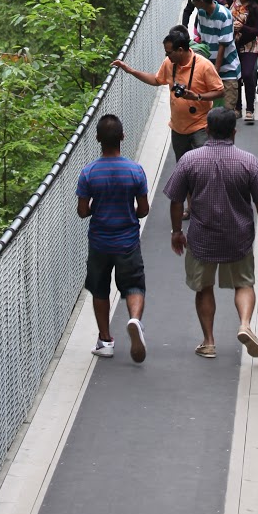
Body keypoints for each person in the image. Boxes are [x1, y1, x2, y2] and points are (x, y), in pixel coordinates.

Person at [165, 106, 258, 359]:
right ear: (234, 133)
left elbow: (175, 200)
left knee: (204, 288)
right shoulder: (249, 162)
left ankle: (209, 342)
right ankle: (245, 324)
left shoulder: (189, 160)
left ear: (207, 129)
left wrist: (175, 231)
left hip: (202, 238)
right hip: (238, 237)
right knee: (244, 283)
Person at [76, 113, 149, 361]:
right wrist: (132, 212)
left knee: (99, 289)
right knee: (134, 285)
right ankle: (134, 320)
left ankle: (105, 340)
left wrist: (97, 206)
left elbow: (83, 211)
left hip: (99, 242)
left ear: (97, 139)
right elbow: (144, 209)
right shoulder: (135, 171)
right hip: (127, 240)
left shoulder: (88, 173)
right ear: (122, 137)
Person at [112, 26, 225, 167]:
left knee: (203, 165)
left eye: (169, 53)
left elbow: (220, 91)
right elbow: (156, 80)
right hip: (178, 128)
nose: (167, 56)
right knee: (183, 168)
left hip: (201, 126)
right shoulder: (169, 63)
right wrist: (131, 71)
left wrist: (197, 97)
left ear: (180, 50)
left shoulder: (204, 66)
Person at [188, 0, 241, 111]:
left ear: (201, 1)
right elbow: (202, 39)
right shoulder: (201, 13)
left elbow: (223, 44)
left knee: (226, 113)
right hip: (209, 68)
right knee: (209, 114)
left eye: (193, 0)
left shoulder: (225, 15)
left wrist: (214, 71)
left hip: (226, 71)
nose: (192, 2)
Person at [229, 0, 258, 121]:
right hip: (231, 45)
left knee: (247, 75)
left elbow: (257, 31)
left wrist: (243, 27)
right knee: (236, 76)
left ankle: (250, 109)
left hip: (248, 46)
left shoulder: (254, 7)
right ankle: (237, 107)